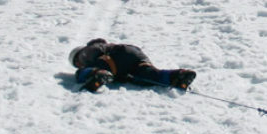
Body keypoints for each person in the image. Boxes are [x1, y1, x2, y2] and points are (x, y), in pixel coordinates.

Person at [68, 39, 196, 93]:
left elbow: (93, 57)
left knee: (81, 74)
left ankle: (98, 75)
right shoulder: (104, 45)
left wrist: (86, 68)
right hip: (134, 54)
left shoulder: (88, 51)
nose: (79, 64)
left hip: (115, 58)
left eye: (77, 62)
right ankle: (178, 75)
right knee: (149, 76)